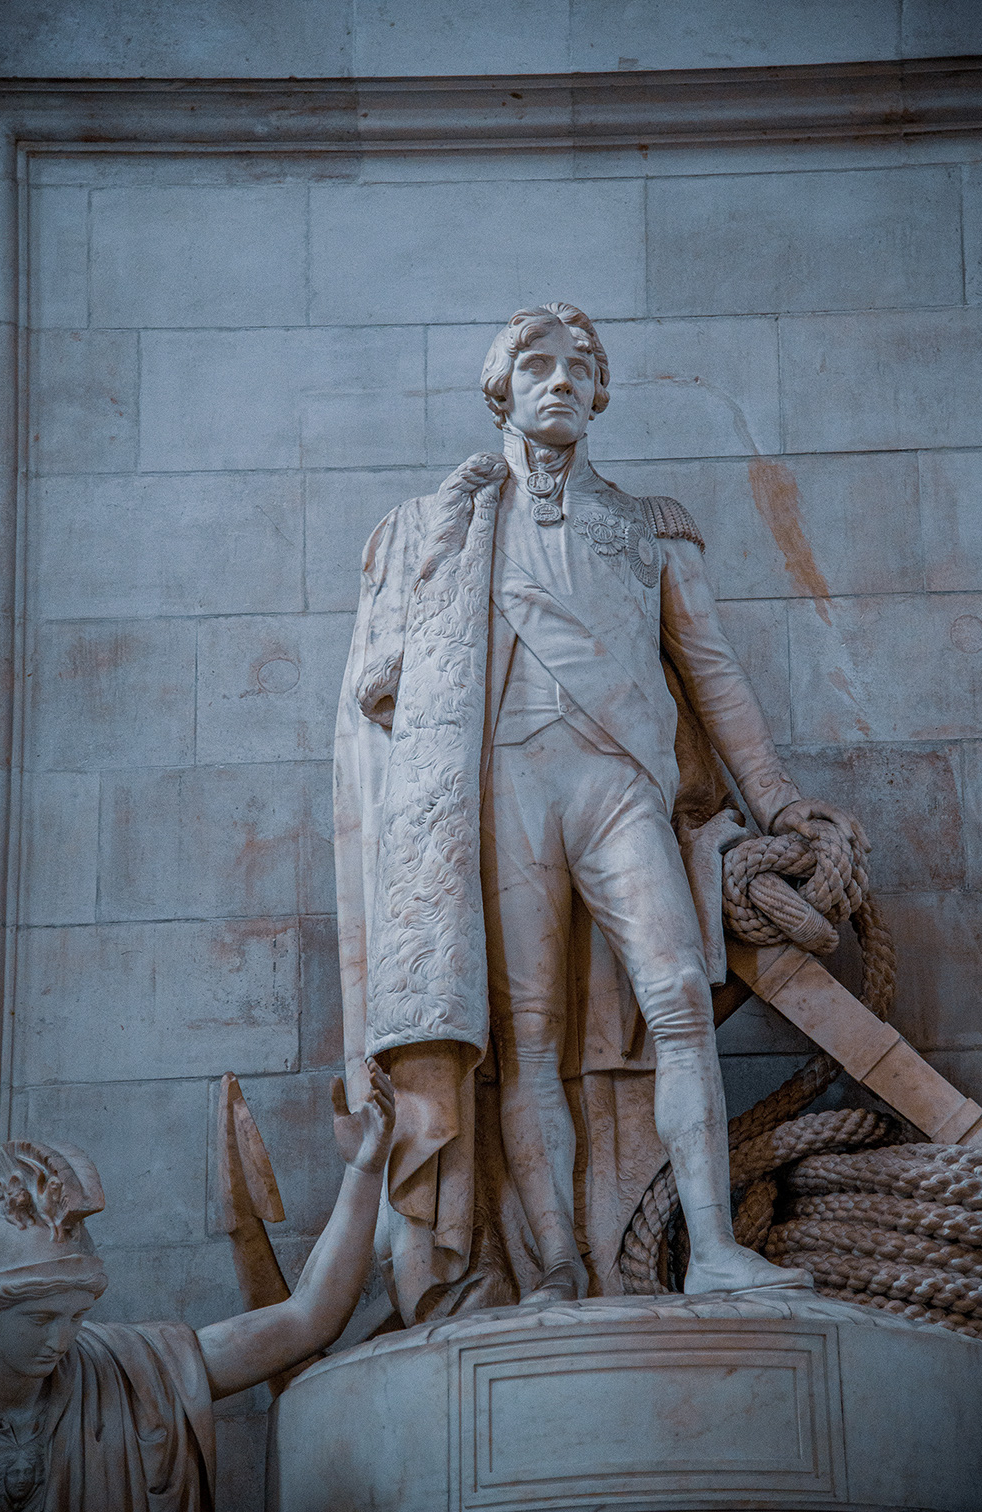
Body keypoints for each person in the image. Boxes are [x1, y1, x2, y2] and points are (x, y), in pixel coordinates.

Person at [334, 303, 864, 1321]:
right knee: (527, 1039)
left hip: (620, 786)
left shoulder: (648, 524)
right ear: (501, 387)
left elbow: (713, 677)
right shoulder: (440, 523)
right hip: (507, 791)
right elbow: (383, 698)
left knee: (674, 996)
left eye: (580, 365)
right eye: (536, 364)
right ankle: (553, 1271)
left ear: (601, 390)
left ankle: (711, 1248)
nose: (560, 380)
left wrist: (782, 804)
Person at [0, 1061, 394, 1509]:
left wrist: (364, 1170)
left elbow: (307, 1319)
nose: (61, 1339)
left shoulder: (131, 1375)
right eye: (40, 1318)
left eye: (76, 1315)